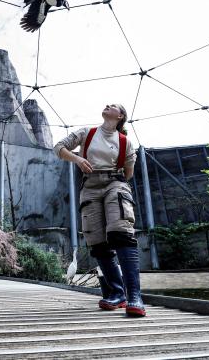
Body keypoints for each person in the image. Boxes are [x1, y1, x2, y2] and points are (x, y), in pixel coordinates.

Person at [53, 104, 146, 317]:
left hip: (115, 184)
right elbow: (58, 147)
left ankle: (135, 296)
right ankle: (117, 293)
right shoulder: (87, 133)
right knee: (97, 241)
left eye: (114, 106)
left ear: (120, 116)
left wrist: (114, 178)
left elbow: (129, 173)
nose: (108, 106)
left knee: (121, 232)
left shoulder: (125, 142)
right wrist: (77, 159)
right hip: (90, 187)